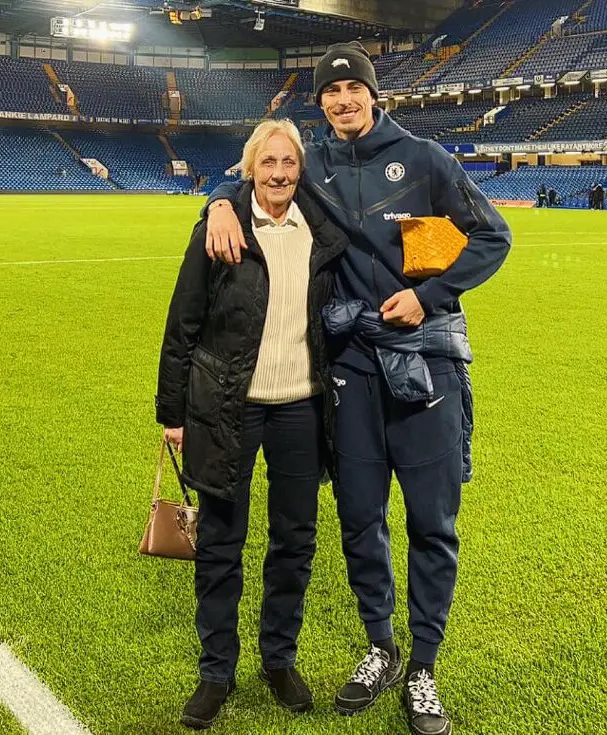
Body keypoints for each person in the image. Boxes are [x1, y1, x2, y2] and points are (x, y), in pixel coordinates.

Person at [203, 41, 511, 735]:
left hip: (426, 366)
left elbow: (493, 237)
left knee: (432, 522)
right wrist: (218, 202)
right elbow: (258, 176)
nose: (343, 100)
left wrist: (430, 296)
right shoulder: (316, 169)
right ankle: (382, 644)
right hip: (351, 370)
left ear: (375, 94)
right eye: (330, 92)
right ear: (321, 103)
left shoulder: (427, 160)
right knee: (360, 519)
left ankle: (423, 665)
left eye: (353, 89)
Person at [155, 119, 348, 730]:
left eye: (289, 162)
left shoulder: (319, 229)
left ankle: (279, 660)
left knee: (294, 540)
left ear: (300, 168)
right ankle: (217, 672)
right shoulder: (220, 229)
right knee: (221, 543)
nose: (280, 174)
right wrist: (172, 412)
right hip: (227, 406)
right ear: (250, 167)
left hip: (301, 406)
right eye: (268, 163)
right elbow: (183, 323)